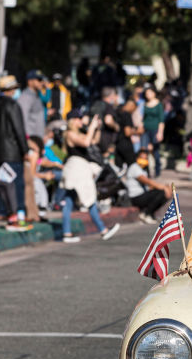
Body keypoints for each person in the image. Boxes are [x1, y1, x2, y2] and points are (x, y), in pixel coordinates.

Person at [59, 112, 120, 243]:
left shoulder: (79, 133)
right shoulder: (70, 133)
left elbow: (93, 141)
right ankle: (102, 230)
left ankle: (67, 232)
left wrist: (96, 128)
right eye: (79, 118)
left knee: (70, 200)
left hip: (79, 169)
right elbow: (86, 143)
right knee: (89, 198)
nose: (81, 121)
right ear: (72, 120)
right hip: (76, 168)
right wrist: (91, 127)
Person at [0, 75, 31, 230]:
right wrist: (25, 150)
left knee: (1, 185)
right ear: (12, 89)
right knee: (16, 185)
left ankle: (3, 212)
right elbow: (19, 130)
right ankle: (18, 215)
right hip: (12, 153)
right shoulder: (13, 105)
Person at [125, 149, 173, 223]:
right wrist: (164, 188)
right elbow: (147, 181)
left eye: (145, 158)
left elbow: (150, 186)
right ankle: (145, 214)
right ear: (137, 158)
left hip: (143, 194)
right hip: (136, 197)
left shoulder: (143, 169)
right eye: (142, 158)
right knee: (161, 192)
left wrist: (167, 188)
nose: (144, 160)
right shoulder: (134, 167)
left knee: (164, 194)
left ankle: (150, 214)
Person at [18, 70, 47, 141]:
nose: (42, 82)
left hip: (37, 139)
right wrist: (27, 139)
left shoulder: (36, 95)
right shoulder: (25, 97)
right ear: (30, 81)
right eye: (39, 80)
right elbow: (22, 119)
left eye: (42, 80)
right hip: (30, 139)